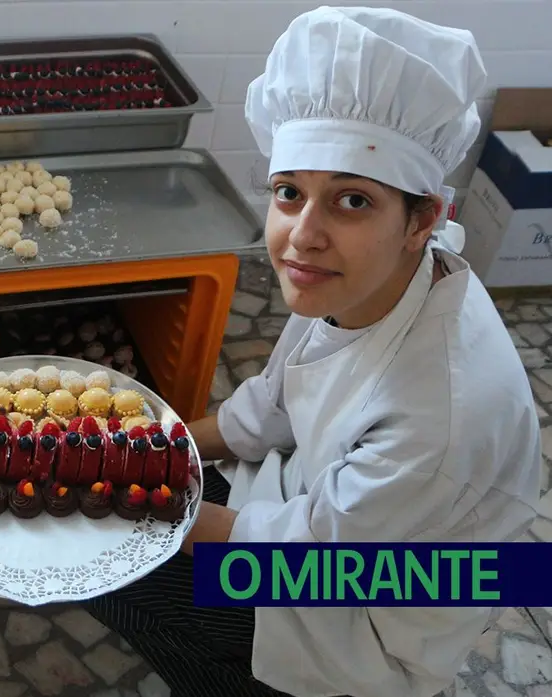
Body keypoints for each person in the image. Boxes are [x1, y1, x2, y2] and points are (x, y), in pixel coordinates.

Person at [87, 7, 543, 697]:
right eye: (289, 192)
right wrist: (163, 445)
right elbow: (274, 402)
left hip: (371, 605)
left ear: (423, 219)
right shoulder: (361, 278)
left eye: (352, 200)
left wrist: (128, 503)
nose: (303, 235)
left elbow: (307, 560)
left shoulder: (439, 414)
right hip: (336, 513)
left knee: (111, 566)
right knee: (128, 540)